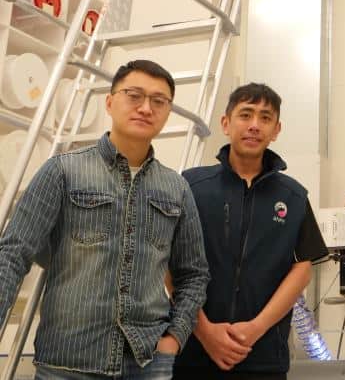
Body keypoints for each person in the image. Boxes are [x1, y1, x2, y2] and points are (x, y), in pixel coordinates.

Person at [0, 59, 210, 379]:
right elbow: (13, 253)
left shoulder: (177, 188)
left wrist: (174, 339)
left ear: (167, 112)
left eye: (158, 101)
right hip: (67, 363)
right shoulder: (62, 171)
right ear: (110, 102)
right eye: (134, 95)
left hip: (147, 362)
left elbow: (194, 273)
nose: (145, 108)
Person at [174, 83, 328, 380]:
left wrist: (255, 329)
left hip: (263, 357)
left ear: (276, 129)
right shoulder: (190, 187)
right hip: (192, 354)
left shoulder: (293, 196)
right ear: (226, 123)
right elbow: (170, 264)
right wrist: (204, 331)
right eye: (245, 115)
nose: (255, 125)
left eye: (265, 118)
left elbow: (302, 270)